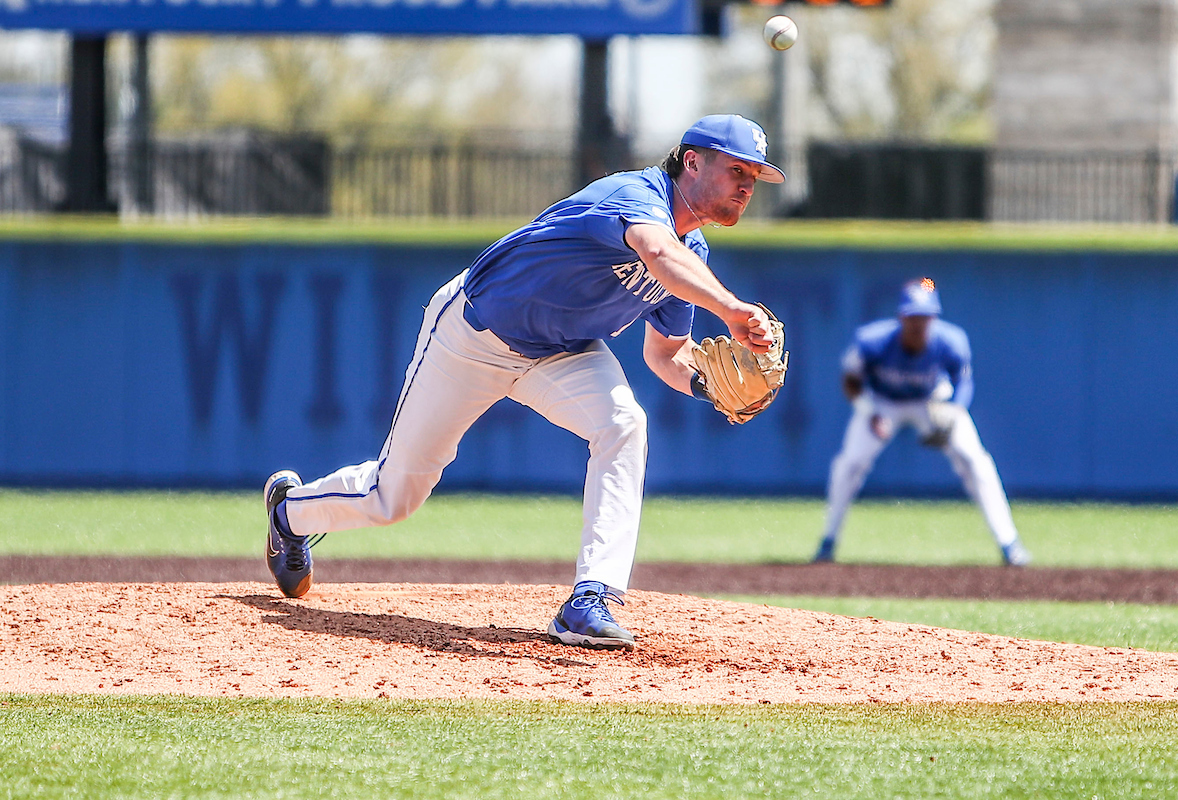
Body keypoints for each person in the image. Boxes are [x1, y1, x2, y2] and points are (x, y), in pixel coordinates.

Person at [264, 114, 785, 650]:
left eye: (755, 176)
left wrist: (708, 385)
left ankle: (592, 600)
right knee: (394, 497)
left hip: (562, 353)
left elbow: (667, 355)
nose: (747, 185)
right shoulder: (634, 196)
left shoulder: (694, 257)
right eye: (736, 169)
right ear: (693, 162)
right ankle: (290, 513)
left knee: (625, 424)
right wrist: (731, 308)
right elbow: (656, 253)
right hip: (472, 338)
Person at [812, 278, 1031, 566]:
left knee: (975, 461)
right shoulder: (872, 340)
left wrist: (954, 410)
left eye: (925, 317)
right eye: (913, 317)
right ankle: (828, 542)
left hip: (932, 403)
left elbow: (963, 382)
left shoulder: (951, 341)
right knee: (850, 464)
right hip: (882, 403)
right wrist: (869, 412)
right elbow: (851, 381)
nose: (918, 325)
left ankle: (1009, 544)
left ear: (934, 318)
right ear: (901, 317)